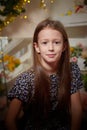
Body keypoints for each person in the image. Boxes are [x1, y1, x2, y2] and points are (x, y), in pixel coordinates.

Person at [5, 19, 83, 130]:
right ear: (37, 47)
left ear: (64, 46)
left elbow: (76, 109)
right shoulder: (26, 79)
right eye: (45, 43)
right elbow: (9, 120)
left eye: (56, 42)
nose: (51, 48)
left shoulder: (72, 70)